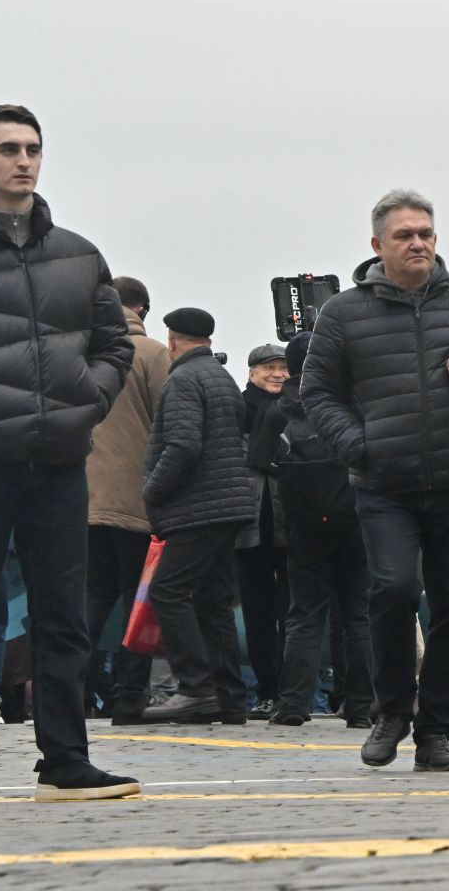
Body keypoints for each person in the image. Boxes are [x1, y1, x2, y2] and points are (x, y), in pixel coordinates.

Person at [0, 104, 139, 803]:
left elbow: (114, 346)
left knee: (63, 616)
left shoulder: (80, 255)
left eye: (33, 149)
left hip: (58, 460)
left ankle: (65, 762)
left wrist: (88, 399)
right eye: (9, 149)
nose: (24, 161)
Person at [300, 189, 449, 771]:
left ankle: (436, 732)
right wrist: (360, 446)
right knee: (393, 591)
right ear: (377, 245)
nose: (418, 244)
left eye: (426, 234)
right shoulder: (344, 313)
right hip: (384, 485)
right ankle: (391, 712)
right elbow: (318, 393)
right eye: (405, 235)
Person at [141, 308, 258, 726]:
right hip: (227, 506)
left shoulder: (183, 379)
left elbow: (183, 445)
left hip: (198, 508)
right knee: (213, 602)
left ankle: (195, 687)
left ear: (172, 340)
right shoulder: (220, 377)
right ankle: (229, 697)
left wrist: (151, 489)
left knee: (167, 591)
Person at [251, 332, 372, 729]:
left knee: (303, 614)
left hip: (303, 524)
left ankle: (292, 703)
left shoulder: (278, 410)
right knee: (357, 614)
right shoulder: (350, 401)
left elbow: (260, 461)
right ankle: (360, 706)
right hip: (354, 516)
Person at [83, 274, 170, 725]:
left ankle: (71, 692)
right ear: (143, 309)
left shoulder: (81, 351)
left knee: (92, 597)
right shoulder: (152, 353)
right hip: (138, 500)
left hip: (85, 499)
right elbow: (168, 422)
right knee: (139, 601)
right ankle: (129, 696)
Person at [235, 342, 292, 717]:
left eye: (282, 368)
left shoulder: (299, 407)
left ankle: (291, 690)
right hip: (249, 524)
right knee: (256, 613)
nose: (276, 374)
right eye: (268, 367)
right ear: (252, 372)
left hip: (291, 523)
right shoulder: (237, 409)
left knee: (292, 612)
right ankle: (267, 690)